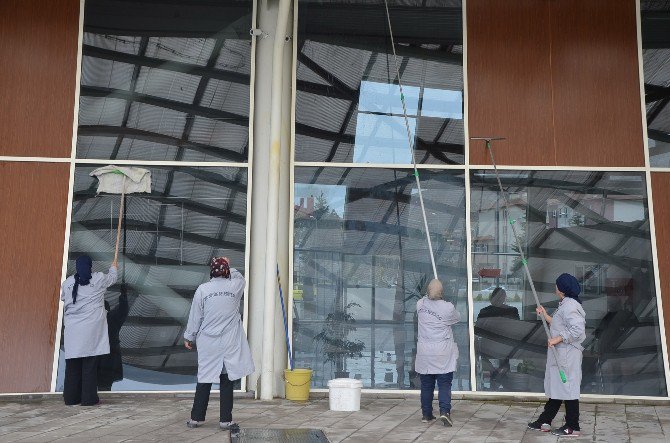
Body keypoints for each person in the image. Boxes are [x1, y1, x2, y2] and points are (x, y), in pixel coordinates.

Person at [184, 257, 254, 430]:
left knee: (204, 378)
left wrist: (189, 337)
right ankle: (225, 420)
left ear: (211, 272)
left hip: (208, 342)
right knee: (226, 379)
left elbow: (195, 316)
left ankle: (196, 419)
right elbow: (241, 278)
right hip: (229, 342)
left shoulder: (203, 289)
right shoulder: (234, 287)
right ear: (226, 271)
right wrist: (229, 263)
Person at [528, 273, 586, 437]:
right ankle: (544, 421)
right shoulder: (565, 304)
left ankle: (573, 426)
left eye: (556, 285)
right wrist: (544, 315)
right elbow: (559, 324)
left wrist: (557, 339)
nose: (555, 287)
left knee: (568, 389)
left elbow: (577, 330)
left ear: (561, 288)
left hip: (567, 354)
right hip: (561, 353)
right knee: (559, 387)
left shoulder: (570, 306)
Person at [61, 255, 118, 406]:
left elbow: (62, 298)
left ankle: (71, 398)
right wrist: (114, 266)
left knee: (72, 366)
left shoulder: (67, 283)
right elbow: (112, 278)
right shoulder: (97, 279)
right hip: (91, 330)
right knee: (89, 365)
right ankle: (89, 399)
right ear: (90, 266)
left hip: (72, 331)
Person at [415, 279, 461, 427]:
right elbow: (457, 318)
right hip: (442, 352)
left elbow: (425, 298)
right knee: (444, 383)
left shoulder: (420, 305)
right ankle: (445, 412)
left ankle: (426, 415)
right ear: (442, 292)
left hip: (425, 352)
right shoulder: (448, 307)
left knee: (426, 384)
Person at [475, 287, 520, 389]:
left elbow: (477, 330)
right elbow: (518, 329)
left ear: (492, 297)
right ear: (504, 298)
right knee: (505, 362)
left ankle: (495, 381)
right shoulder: (512, 311)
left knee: (483, 357)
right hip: (506, 346)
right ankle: (502, 381)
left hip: (488, 346)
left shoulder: (484, 311)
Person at [97, 289, 129, 391]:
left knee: (103, 386)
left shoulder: (111, 318)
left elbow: (123, 310)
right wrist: (123, 296)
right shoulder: (111, 318)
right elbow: (123, 310)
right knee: (101, 386)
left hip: (105, 361)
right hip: (104, 360)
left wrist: (123, 296)